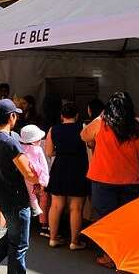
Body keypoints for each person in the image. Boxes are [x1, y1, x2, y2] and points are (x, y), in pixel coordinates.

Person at [81, 92, 139, 269]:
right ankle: (123, 256)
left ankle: (109, 256)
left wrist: (99, 116)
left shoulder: (101, 123)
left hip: (103, 179)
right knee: (125, 220)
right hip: (129, 181)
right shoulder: (137, 128)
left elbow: (84, 136)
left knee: (107, 219)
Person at [0, 99, 39, 274]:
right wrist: (38, 180)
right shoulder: (9, 141)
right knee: (19, 244)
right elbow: (28, 173)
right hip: (16, 198)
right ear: (12, 117)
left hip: (3, 197)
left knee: (13, 236)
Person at [44, 102, 88, 250]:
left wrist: (61, 152)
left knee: (56, 205)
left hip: (60, 167)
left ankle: (53, 238)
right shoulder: (82, 128)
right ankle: (74, 242)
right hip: (78, 167)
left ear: (62, 116)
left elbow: (49, 153)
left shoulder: (53, 129)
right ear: (77, 115)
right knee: (76, 207)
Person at [19, 125, 50, 217]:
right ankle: (35, 206)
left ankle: (35, 205)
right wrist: (44, 181)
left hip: (24, 173)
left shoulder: (19, 148)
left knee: (29, 191)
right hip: (36, 174)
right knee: (36, 193)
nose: (40, 141)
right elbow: (44, 165)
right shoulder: (38, 149)